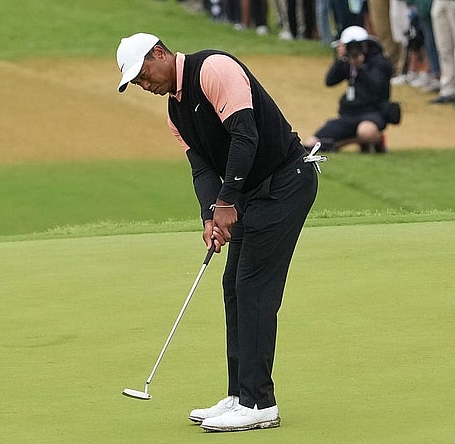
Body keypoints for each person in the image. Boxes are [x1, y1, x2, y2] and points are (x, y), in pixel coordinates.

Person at [115, 32, 320, 432]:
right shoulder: (176, 112)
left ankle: (260, 403)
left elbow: (246, 136)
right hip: (248, 192)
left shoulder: (214, 69)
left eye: (144, 74)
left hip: (285, 181)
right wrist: (211, 214)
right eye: (137, 82)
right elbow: (203, 168)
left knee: (253, 285)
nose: (145, 84)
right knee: (234, 285)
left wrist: (228, 202)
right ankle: (240, 395)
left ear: (159, 53)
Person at [305, 25, 395, 153]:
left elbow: (378, 86)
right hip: (349, 114)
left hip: (373, 112)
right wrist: (339, 60)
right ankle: (357, 142)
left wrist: (361, 67)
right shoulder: (347, 62)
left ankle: (365, 140)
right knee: (311, 143)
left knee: (366, 132)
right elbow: (330, 81)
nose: (354, 50)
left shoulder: (379, 62)